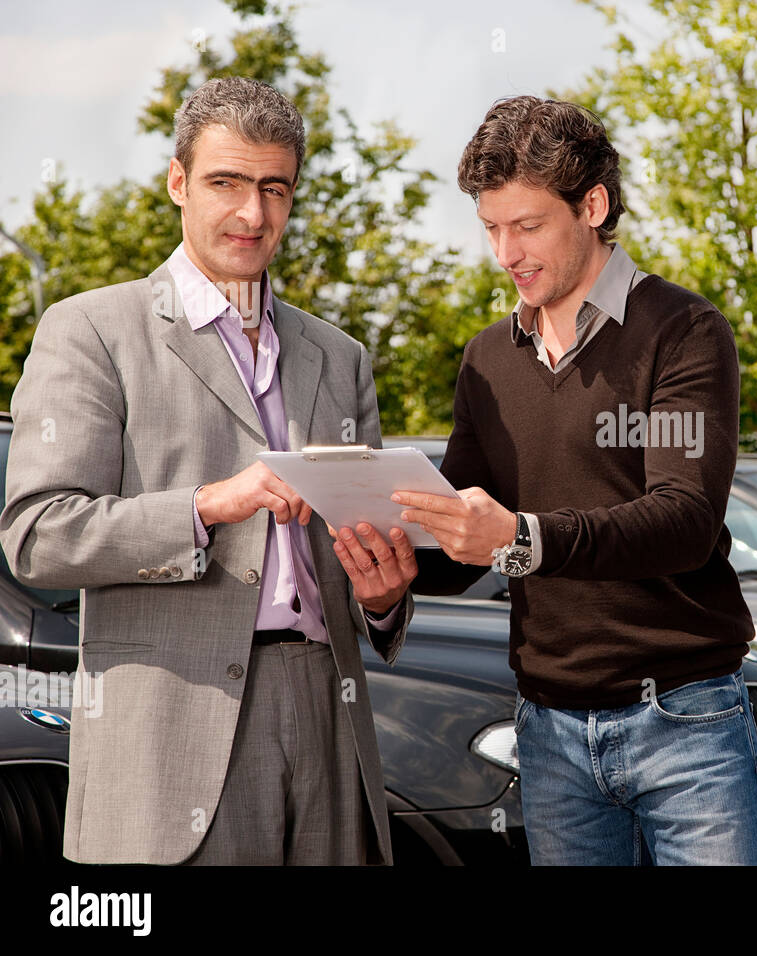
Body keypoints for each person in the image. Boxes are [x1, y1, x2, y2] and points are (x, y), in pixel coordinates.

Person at [0, 76, 419, 865]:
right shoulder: (92, 330)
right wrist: (210, 505)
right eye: (226, 183)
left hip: (329, 715)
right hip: (173, 727)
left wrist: (386, 595)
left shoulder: (340, 356)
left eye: (274, 188)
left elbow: (363, 556)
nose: (252, 214)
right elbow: (38, 535)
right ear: (177, 181)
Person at [395, 95, 757, 865]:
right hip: (547, 732)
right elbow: (461, 537)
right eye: (491, 228)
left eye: (527, 225)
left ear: (592, 206)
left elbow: (682, 519)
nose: (506, 252)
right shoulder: (486, 360)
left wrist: (522, 538)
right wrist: (389, 573)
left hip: (684, 720)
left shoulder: (683, 331)